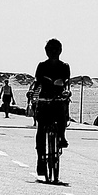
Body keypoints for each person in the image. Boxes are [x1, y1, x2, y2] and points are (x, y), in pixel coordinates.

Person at [33, 39, 71, 176]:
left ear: (60, 51)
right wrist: (33, 94)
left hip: (58, 98)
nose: (53, 52)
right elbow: (37, 82)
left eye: (56, 49)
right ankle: (41, 159)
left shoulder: (64, 66)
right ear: (46, 51)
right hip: (44, 99)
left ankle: (62, 136)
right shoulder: (42, 66)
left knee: (62, 114)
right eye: (50, 49)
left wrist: (66, 92)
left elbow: (67, 82)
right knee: (41, 128)